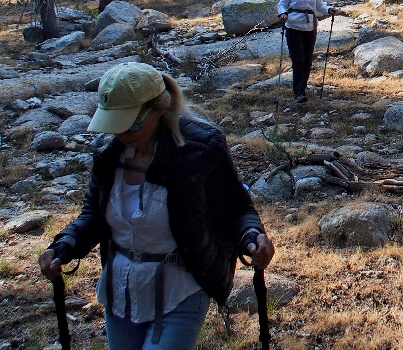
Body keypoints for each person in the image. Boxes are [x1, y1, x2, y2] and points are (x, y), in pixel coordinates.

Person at [38, 62, 275, 350]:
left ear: (159, 108)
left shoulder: (200, 149)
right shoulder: (107, 153)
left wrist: (252, 238)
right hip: (121, 289)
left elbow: (237, 208)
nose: (122, 133)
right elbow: (93, 215)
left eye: (131, 123)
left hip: (181, 287)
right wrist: (65, 245)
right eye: (114, 123)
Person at [277, 0, 338, 103]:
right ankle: (298, 92)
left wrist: (329, 10)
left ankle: (302, 89)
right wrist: (283, 14)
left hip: (310, 27)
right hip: (293, 27)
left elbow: (319, 5)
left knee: (308, 60)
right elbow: (282, 4)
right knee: (298, 59)